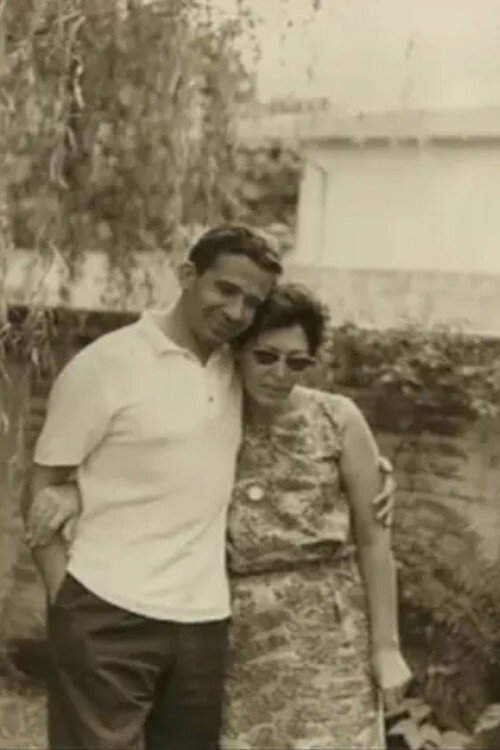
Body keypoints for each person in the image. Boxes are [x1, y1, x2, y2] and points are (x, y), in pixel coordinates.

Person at [23, 225, 399, 750]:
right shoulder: (106, 366)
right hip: (107, 609)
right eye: (226, 289)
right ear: (187, 275)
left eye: (252, 301)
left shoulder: (231, 369)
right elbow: (43, 486)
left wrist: (375, 472)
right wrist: (67, 600)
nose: (236, 310)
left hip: (206, 623)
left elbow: (274, 433)